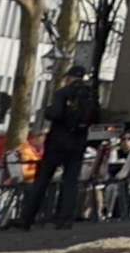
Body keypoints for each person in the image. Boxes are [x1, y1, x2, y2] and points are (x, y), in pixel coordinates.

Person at [25, 69, 97, 225]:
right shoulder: (90, 94)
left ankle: (27, 218)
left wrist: (48, 112)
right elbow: (96, 116)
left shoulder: (63, 93)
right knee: (71, 181)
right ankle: (66, 218)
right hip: (78, 142)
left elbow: (55, 114)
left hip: (57, 142)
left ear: (68, 77)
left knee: (42, 180)